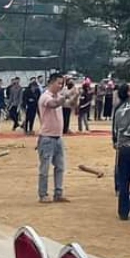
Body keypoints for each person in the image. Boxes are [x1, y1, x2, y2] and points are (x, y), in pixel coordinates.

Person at [36, 70, 75, 204]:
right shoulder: (45, 96)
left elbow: (70, 105)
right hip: (47, 137)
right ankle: (43, 194)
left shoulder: (57, 96)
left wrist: (74, 95)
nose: (61, 86)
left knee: (60, 167)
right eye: (59, 83)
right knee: (45, 168)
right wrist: (65, 95)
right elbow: (54, 104)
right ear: (51, 83)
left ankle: (58, 193)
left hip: (58, 137)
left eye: (62, 83)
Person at [112, 83, 130, 221]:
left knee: (124, 181)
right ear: (129, 93)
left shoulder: (119, 109)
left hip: (123, 148)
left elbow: (115, 130)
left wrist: (115, 142)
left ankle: (123, 210)